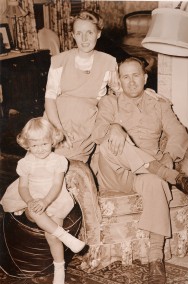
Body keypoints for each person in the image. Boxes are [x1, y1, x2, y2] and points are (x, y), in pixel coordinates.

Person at [91, 57, 188, 284]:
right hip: (115, 172)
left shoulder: (159, 104)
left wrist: (169, 156)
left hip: (145, 174)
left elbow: (179, 134)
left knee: (154, 183)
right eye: (125, 76)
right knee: (108, 143)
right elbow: (98, 132)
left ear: (145, 78)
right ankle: (172, 176)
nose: (131, 81)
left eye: (135, 76)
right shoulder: (109, 103)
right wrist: (115, 127)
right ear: (119, 81)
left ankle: (155, 260)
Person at [0, 117, 89, 284]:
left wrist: (46, 201)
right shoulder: (25, 163)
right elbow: (23, 187)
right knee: (34, 212)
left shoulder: (58, 161)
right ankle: (67, 238)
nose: (39, 149)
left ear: (53, 141)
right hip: (32, 197)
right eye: (34, 145)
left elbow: (57, 185)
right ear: (27, 145)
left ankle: (59, 271)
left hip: (54, 198)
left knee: (52, 235)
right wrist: (31, 201)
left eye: (44, 144)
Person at [44, 10, 119, 170]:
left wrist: (143, 91)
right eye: (79, 33)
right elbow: (50, 98)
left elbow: (119, 92)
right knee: (39, 165)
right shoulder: (59, 60)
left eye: (89, 32)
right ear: (73, 35)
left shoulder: (109, 62)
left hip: (85, 124)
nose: (84, 39)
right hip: (55, 120)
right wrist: (58, 129)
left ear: (98, 34)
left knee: (70, 169)